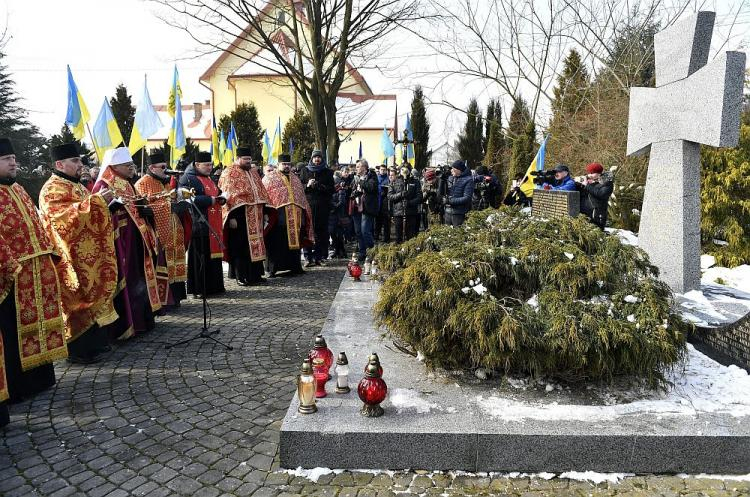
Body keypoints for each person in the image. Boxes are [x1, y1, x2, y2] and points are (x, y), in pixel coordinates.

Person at [0, 138, 67, 405]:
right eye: (6, 159)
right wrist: (10, 266)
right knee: (14, 327)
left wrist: (50, 251)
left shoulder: (19, 189)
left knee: (39, 321)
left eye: (13, 158)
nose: (13, 162)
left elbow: (38, 225)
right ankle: (19, 384)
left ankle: (40, 377)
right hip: (14, 273)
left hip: (38, 268)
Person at [39, 143, 119, 364]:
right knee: (77, 299)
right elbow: (61, 219)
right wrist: (96, 202)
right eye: (75, 161)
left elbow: (90, 212)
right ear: (59, 164)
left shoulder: (78, 186)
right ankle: (79, 350)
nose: (80, 165)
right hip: (70, 257)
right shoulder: (52, 189)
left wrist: (104, 205)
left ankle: (96, 343)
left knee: (93, 295)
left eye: (80, 160)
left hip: (90, 255)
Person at [93, 147, 162, 339]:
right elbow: (99, 215)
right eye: (127, 165)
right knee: (129, 280)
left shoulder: (127, 182)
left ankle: (143, 320)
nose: (132, 168)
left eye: (132, 165)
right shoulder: (104, 184)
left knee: (140, 277)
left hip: (137, 237)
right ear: (114, 166)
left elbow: (136, 205)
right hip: (120, 241)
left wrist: (145, 210)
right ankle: (129, 324)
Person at [135, 151, 188, 307]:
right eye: (163, 167)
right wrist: (169, 205)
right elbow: (146, 207)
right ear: (152, 167)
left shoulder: (165, 182)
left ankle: (176, 297)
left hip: (174, 228)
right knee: (163, 264)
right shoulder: (142, 183)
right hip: (158, 232)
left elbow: (167, 199)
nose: (166, 169)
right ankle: (165, 300)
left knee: (175, 261)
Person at [218, 147, 270, 286]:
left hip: (256, 215)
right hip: (239, 216)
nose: (248, 161)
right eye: (245, 159)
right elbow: (227, 196)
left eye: (249, 159)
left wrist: (265, 212)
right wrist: (231, 217)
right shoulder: (229, 172)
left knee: (256, 246)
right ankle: (240, 276)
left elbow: (261, 192)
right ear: (238, 158)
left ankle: (255, 275)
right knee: (240, 247)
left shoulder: (253, 172)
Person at [178, 151, 226, 296]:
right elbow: (185, 198)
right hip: (198, 224)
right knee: (200, 258)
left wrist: (221, 198)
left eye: (211, 165)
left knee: (212, 259)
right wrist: (210, 200)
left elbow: (216, 193)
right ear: (197, 165)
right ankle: (199, 289)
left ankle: (214, 286)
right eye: (206, 165)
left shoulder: (208, 178)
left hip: (212, 224)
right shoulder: (187, 178)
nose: (210, 167)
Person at [262, 155, 314, 276]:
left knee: (295, 241)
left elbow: (301, 197)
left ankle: (295, 267)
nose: (286, 166)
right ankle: (272, 269)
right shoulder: (269, 178)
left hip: (295, 216)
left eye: (288, 164)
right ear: (278, 164)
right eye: (284, 164)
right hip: (277, 216)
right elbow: (265, 196)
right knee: (276, 242)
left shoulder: (295, 178)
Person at [299, 150, 334, 266]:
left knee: (321, 233)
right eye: (315, 157)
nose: (317, 159)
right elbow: (299, 188)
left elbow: (331, 190)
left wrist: (319, 185)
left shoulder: (328, 172)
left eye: (319, 157)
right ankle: (308, 257)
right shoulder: (304, 171)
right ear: (312, 159)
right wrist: (307, 185)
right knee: (307, 231)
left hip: (322, 207)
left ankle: (320, 257)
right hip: (308, 206)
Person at [351, 160, 379, 261]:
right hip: (357, 207)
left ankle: (372, 251)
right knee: (358, 231)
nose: (356, 168)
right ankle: (362, 252)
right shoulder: (355, 178)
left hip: (367, 208)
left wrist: (361, 182)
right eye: (356, 166)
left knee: (365, 231)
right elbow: (353, 190)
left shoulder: (372, 176)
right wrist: (354, 193)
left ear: (365, 167)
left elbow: (372, 187)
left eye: (358, 166)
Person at [389, 165, 423, 242]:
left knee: (410, 237)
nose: (404, 172)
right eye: (402, 170)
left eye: (406, 170)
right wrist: (400, 194)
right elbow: (390, 196)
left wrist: (410, 203)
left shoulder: (415, 182)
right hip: (398, 213)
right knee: (398, 237)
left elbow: (419, 197)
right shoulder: (394, 182)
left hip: (411, 213)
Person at [578, 162, 614, 229]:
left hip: (598, 215)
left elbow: (601, 194)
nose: (590, 175)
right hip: (585, 214)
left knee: (597, 233)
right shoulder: (590, 181)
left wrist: (587, 185)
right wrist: (580, 184)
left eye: (592, 173)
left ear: (599, 173)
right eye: (589, 173)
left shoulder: (607, 182)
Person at [444, 160, 474, 227]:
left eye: (453, 169)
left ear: (459, 170)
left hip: (459, 214)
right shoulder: (451, 178)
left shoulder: (468, 180)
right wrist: (442, 180)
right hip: (447, 212)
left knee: (457, 235)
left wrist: (450, 201)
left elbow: (467, 198)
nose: (451, 170)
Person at [375, 164, 391, 242]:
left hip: (385, 202)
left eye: (384, 170)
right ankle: (376, 236)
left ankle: (386, 238)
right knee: (377, 221)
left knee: (386, 222)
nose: (382, 171)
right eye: (381, 169)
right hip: (377, 202)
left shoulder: (388, 179)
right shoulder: (376, 178)